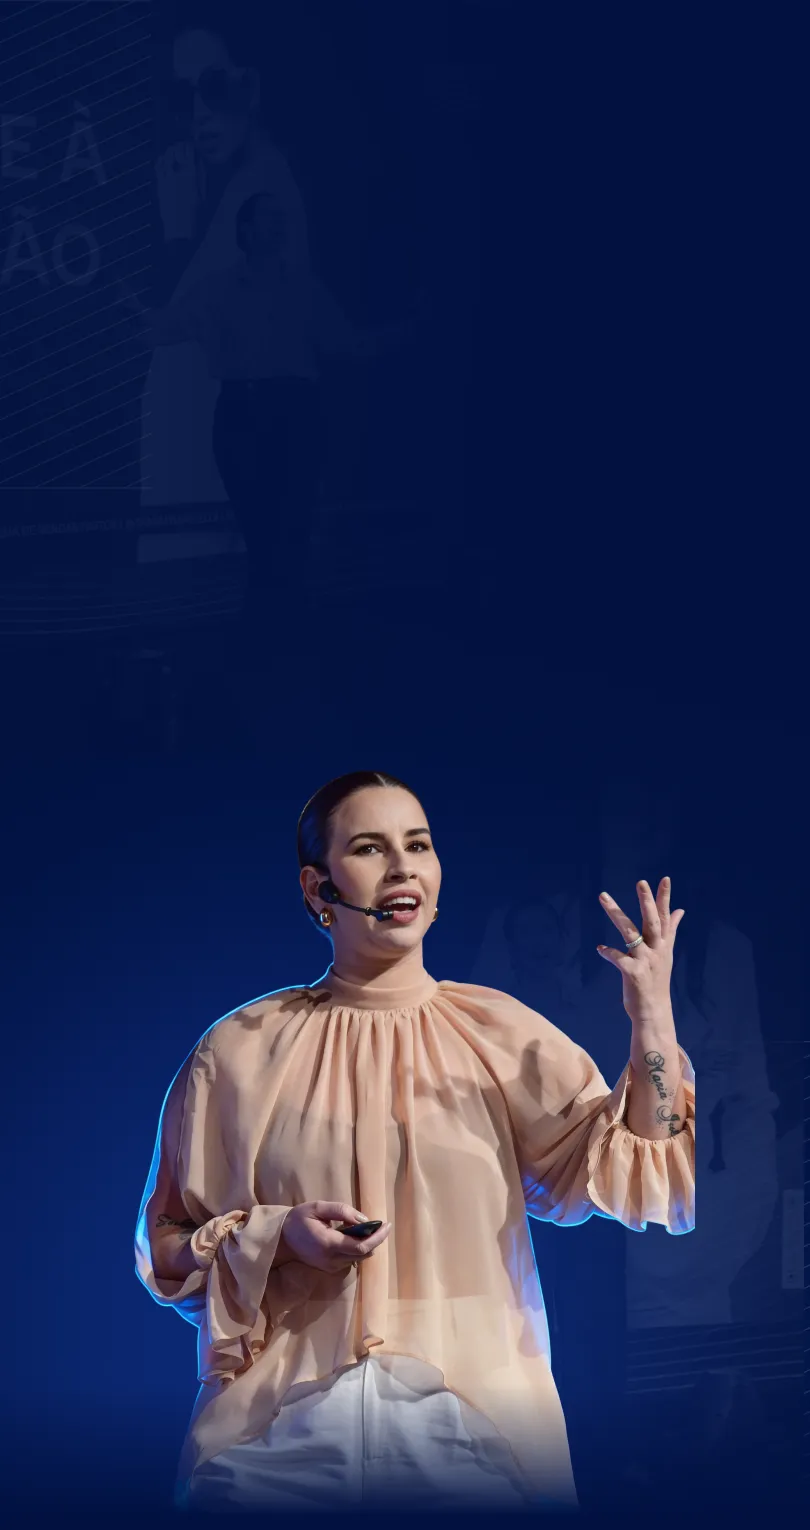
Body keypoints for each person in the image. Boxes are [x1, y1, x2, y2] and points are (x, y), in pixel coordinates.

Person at [134, 770, 696, 1512]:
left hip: (475, 1444)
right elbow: (165, 1249)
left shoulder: (499, 1035)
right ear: (317, 888)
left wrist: (652, 1014)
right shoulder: (239, 1050)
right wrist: (275, 1236)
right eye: (370, 848)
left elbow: (645, 1168)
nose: (402, 867)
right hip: (271, 1447)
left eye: (418, 845)